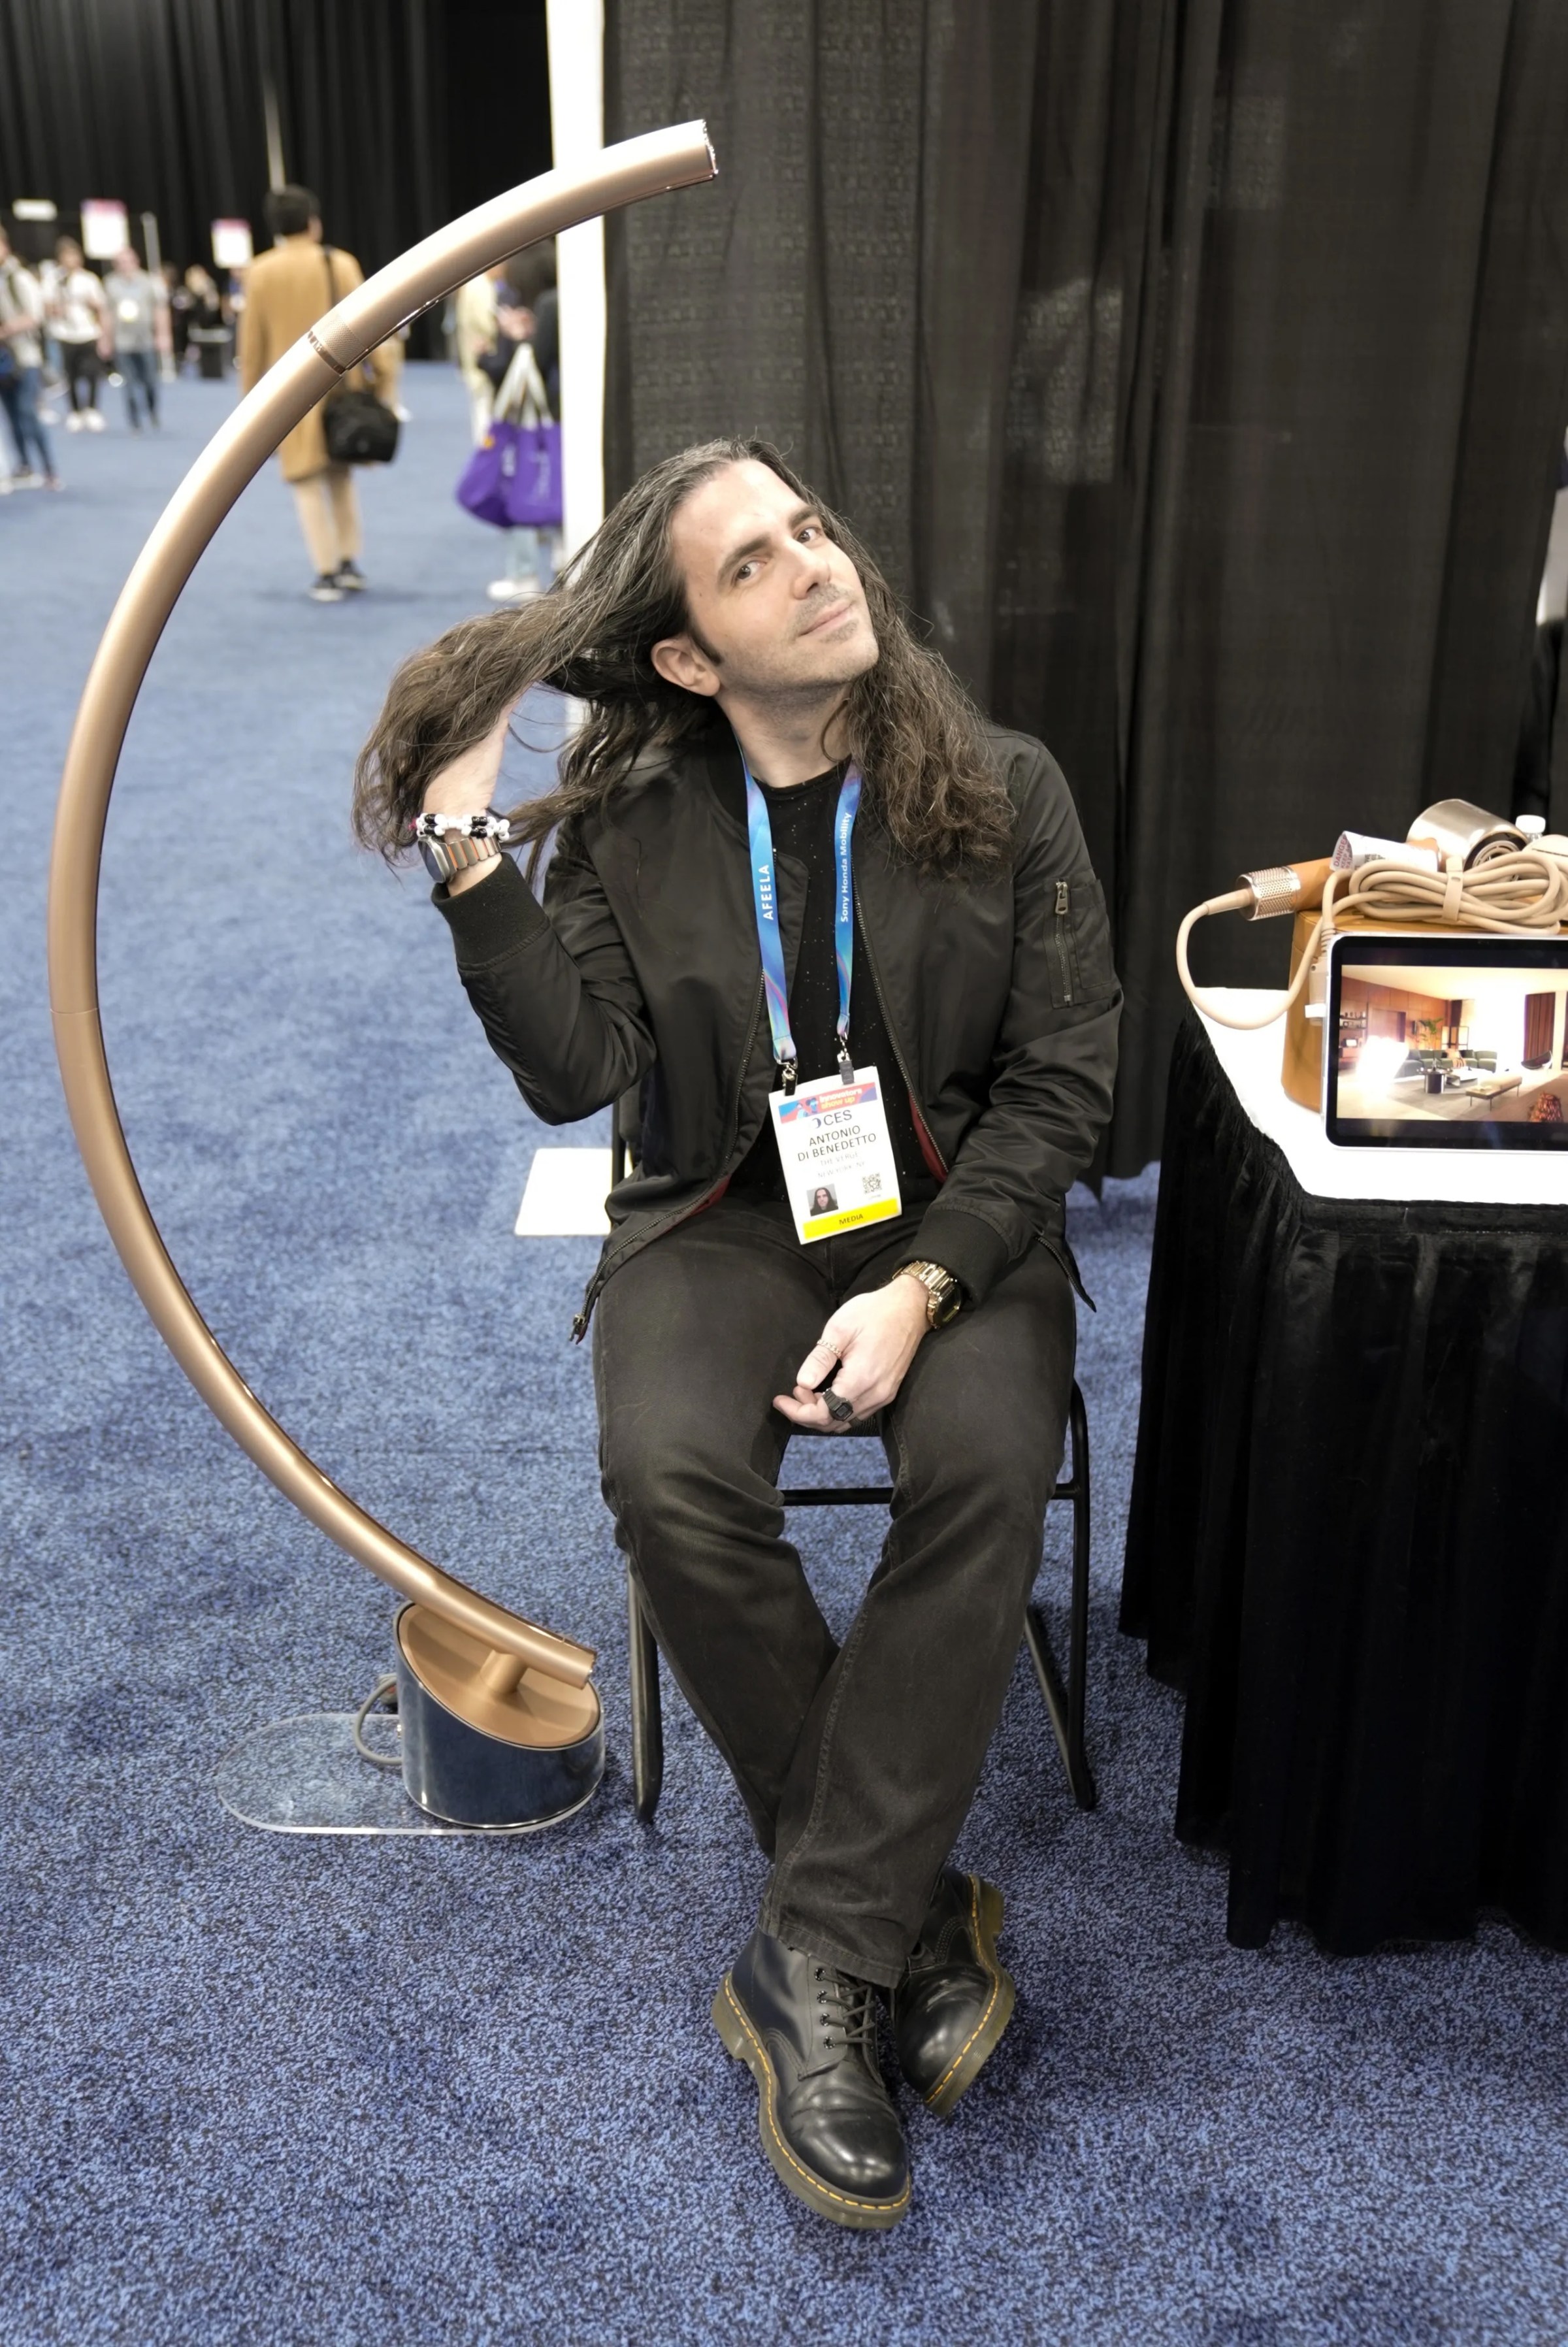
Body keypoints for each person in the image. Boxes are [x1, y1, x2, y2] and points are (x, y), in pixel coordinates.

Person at [352, 441, 1120, 2230]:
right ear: (690, 658)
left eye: (810, 529)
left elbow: (1066, 1088)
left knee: (988, 1463)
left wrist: (926, 1287)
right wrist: (471, 851)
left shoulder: (1005, 787)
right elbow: (582, 1077)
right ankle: (900, 1919)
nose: (817, 566)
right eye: (753, 565)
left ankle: (815, 1957)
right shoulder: (628, 823)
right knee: (666, 1472)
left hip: (949, 1221)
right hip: (721, 1213)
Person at [237, 184, 396, 604]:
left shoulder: (260, 272)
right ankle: (348, 562)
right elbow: (374, 324)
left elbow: (250, 347)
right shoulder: (339, 263)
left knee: (306, 484)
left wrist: (251, 407)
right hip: (341, 389)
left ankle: (325, 572)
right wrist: (383, 381)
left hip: (288, 397)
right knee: (341, 477)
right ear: (312, 222)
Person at [0, 225, 59, 489]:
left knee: (28, 412)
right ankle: (24, 466)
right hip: (4, 360)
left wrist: (6, 330)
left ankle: (49, 470)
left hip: (25, 358)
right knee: (12, 415)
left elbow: (35, 317)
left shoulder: (20, 278)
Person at [47, 238, 107, 431]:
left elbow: (100, 307)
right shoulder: (54, 279)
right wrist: (58, 308)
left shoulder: (89, 279)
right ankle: (75, 411)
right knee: (70, 375)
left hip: (88, 333)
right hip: (65, 334)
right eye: (67, 256)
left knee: (92, 372)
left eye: (74, 256)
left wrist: (103, 332)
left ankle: (92, 409)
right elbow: (46, 306)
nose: (71, 260)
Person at [104, 246, 162, 431]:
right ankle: (135, 421)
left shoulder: (148, 282)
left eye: (128, 261)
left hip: (146, 341)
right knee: (129, 384)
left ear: (136, 262)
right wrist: (106, 339)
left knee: (151, 382)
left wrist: (162, 335)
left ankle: (152, 411)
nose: (125, 266)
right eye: (120, 263)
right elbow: (107, 314)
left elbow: (159, 309)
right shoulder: (111, 284)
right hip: (123, 343)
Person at [183, 267, 229, 377]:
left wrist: (206, 293)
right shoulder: (189, 292)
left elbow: (213, 307)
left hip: (209, 326)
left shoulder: (210, 288)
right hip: (195, 326)